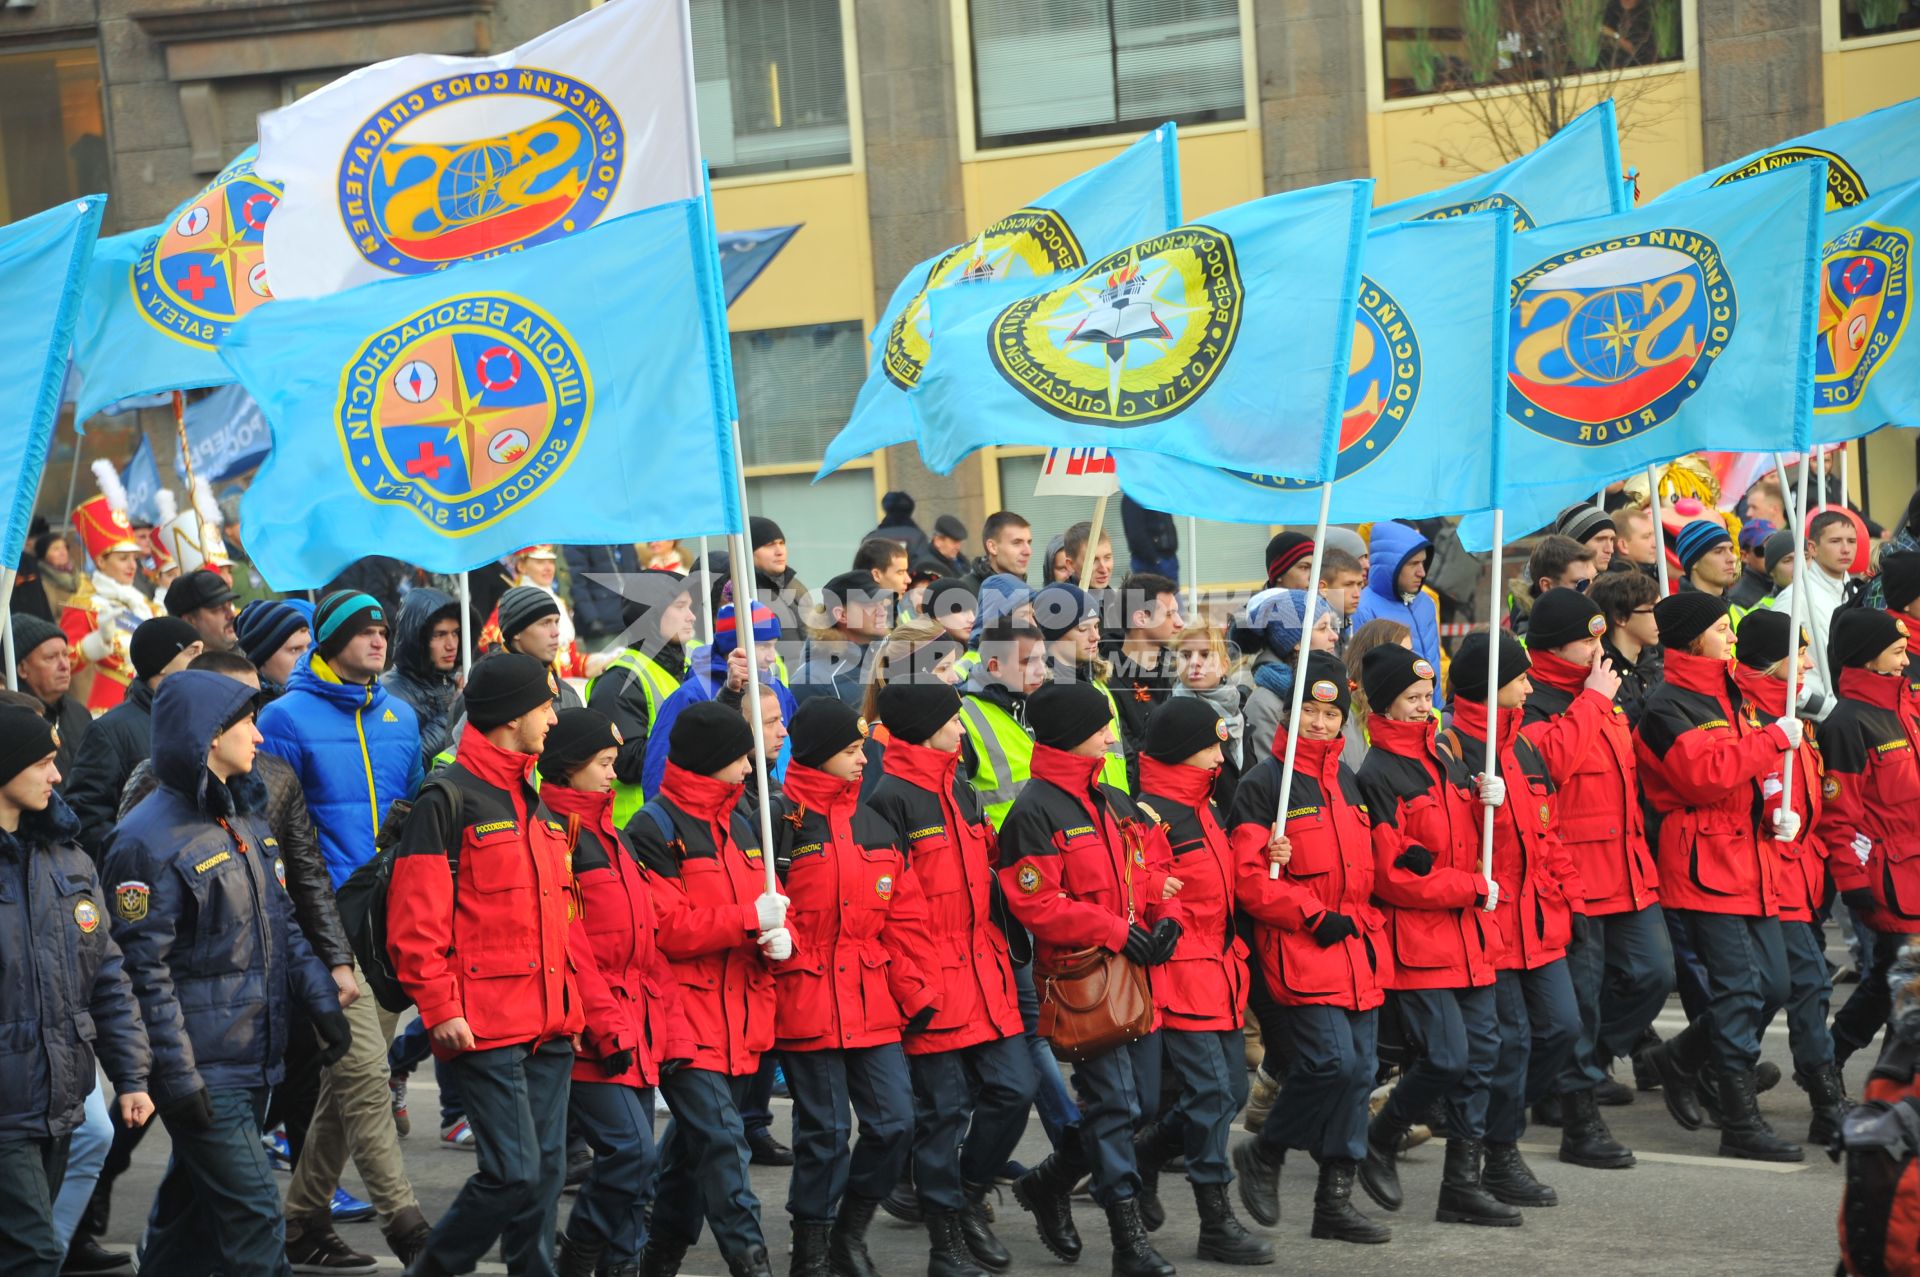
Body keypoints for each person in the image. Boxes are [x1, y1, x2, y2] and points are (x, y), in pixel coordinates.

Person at [105, 670, 353, 1275]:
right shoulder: (144, 839)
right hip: (206, 1069)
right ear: (210, 736)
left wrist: (320, 1000)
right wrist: (179, 1078)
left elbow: (283, 922)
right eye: (247, 724)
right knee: (255, 1222)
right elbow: (143, 974)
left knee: (186, 1224)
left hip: (251, 1057)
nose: (260, 738)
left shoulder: (241, 818)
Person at [386, 653, 582, 1277]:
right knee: (513, 1173)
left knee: (546, 1175)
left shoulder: (532, 796)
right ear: (511, 716)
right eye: (545, 707)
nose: (553, 718)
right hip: (484, 1023)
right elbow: (414, 925)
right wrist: (440, 1009)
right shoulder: (446, 798)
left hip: (549, 1023)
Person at [258, 590, 430, 1261]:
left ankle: (299, 1221)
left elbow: (413, 811)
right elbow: (271, 828)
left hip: (386, 922)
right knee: (363, 1075)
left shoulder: (401, 715)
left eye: (383, 629)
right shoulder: (282, 717)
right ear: (330, 641)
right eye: (362, 630)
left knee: (339, 1087)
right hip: (322, 926)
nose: (379, 639)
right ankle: (408, 1227)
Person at [996, 681, 1181, 1277]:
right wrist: (1114, 929)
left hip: (1134, 971)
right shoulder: (1034, 810)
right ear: (1073, 733)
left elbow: (1150, 869)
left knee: (1140, 1103)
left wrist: (1166, 916)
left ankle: (1048, 1184)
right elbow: (1037, 903)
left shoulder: (1111, 798)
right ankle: (1128, 1243)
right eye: (1100, 725)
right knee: (1116, 1103)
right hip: (1081, 978)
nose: (1111, 733)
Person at [865, 679, 1036, 1277]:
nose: (962, 730)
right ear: (926, 728)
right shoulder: (889, 797)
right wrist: (914, 988)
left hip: (984, 971)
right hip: (931, 981)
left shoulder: (957, 786)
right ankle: (946, 1239)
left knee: (1015, 1089)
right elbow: (887, 907)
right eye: (953, 721)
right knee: (942, 1113)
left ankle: (965, 1196)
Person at [628, 700, 796, 1277]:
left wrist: (780, 937)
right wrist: (751, 919)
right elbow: (666, 928)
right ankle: (752, 1264)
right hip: (681, 1019)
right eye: (739, 758)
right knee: (725, 1143)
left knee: (689, 1155)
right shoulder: (652, 828)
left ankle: (658, 1259)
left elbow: (766, 907)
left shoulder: (746, 822)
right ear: (710, 761)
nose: (751, 768)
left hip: (740, 1018)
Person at [1227, 655, 1389, 1247]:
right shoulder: (1263, 786)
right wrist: (1308, 911)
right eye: (1310, 714)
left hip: (1355, 949)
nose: (1321, 725)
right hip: (1300, 946)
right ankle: (1265, 1152)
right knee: (1328, 1065)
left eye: (1330, 715)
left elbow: (1365, 869)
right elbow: (1250, 884)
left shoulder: (1349, 780)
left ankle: (1334, 1202)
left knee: (1360, 1074)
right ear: (1290, 718)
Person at [1634, 593, 1802, 1162]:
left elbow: (1752, 765)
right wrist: (1774, 739)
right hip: (1704, 861)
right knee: (1739, 992)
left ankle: (1678, 1058)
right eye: (1719, 629)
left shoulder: (1731, 689)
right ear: (1691, 639)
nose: (1730, 636)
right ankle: (1739, 1120)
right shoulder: (1665, 705)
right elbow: (1704, 776)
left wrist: (1778, 804)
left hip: (1750, 857)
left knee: (1774, 985)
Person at [768, 699, 933, 1277]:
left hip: (872, 1000)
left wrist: (916, 991)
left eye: (861, 749)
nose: (863, 760)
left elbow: (905, 919)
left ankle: (850, 1230)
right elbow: (767, 911)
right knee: (826, 1132)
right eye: (850, 751)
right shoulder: (779, 823)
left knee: (896, 1124)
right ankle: (811, 1245)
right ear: (817, 755)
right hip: (805, 996)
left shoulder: (872, 821)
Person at [1352, 644, 1511, 1226]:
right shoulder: (1377, 773)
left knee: (1481, 1059)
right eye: (1413, 699)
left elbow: (1471, 837)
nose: (1425, 708)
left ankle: (1461, 1185)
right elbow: (1394, 874)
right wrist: (1470, 889)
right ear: (1386, 704)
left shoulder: (1446, 753)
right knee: (1445, 1059)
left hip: (1469, 935)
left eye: (1427, 697)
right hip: (1419, 939)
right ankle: (1382, 1135)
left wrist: (1487, 799)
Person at [537, 709, 693, 1277]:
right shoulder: (557, 836)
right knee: (631, 1152)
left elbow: (647, 943)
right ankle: (581, 1253)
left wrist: (666, 1025)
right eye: (602, 764)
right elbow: (573, 949)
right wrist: (608, 1028)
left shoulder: (611, 834)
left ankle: (621, 1263)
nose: (613, 775)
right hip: (590, 1028)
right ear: (569, 766)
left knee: (635, 1163)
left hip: (633, 1020)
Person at [1520, 589, 1671, 1170]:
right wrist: (1590, 701)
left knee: (1653, 974)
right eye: (1586, 640)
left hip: (1625, 866)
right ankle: (1579, 1120)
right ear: (1556, 646)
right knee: (1578, 1001)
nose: (1597, 648)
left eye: (1598, 637)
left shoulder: (1599, 688)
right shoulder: (1532, 697)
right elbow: (1548, 767)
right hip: (1573, 872)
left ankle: (1576, 1070)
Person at [0, 706, 153, 1277]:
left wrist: (132, 1076)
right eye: (43, 761)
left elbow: (106, 975)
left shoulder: (68, 857)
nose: (57, 774)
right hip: (7, 1109)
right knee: (35, 1255)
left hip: (59, 1099)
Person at [1125, 698, 1277, 1262]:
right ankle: (1216, 1219)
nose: (1220, 756)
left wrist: (1264, 851)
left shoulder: (1207, 806)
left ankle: (1144, 1153)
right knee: (1214, 1091)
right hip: (1177, 972)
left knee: (1231, 1090)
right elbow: (1145, 892)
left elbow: (1222, 884)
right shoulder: (1145, 814)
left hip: (1219, 969)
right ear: (1180, 751)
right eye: (1210, 746)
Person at [1445, 630, 1582, 1207]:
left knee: (1563, 1028)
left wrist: (1570, 894)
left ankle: (1496, 1132)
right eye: (1518, 678)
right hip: (1489, 922)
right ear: (1488, 686)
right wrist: (1474, 803)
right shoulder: (1451, 748)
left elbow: (1546, 831)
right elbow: (1447, 841)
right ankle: (1496, 1153)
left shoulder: (1521, 745)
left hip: (1538, 921)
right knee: (1510, 1043)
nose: (1529, 685)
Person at [1730, 612, 1844, 1142]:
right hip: (1753, 871)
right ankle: (1823, 1100)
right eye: (1796, 652)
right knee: (1787, 985)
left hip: (1798, 873)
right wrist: (1768, 809)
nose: (1805, 661)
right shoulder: (1742, 712)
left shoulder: (1799, 712)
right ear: (1771, 658)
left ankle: (1821, 1098)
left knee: (1797, 985)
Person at [1820, 608, 1920, 1073]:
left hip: (1914, 869)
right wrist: (1852, 879)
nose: (1906, 663)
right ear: (1867, 658)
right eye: (1898, 653)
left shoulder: (1904, 711)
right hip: (1887, 877)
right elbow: (1841, 815)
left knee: (1888, 982)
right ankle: (1889, 1087)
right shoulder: (1847, 722)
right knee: (1905, 984)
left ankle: (1828, 1060)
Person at [64, 617, 202, 858]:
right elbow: (87, 819)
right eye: (192, 653)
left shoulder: (203, 717)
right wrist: (142, 854)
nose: (202, 662)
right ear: (162, 663)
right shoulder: (109, 731)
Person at [641, 601, 793, 799]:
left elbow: (796, 748)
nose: (772, 657)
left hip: (775, 808)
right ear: (736, 647)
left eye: (774, 645)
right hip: (718, 809)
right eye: (764, 646)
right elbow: (660, 769)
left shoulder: (775, 687)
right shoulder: (691, 695)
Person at [585, 571, 695, 827]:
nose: (692, 616)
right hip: (637, 829)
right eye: (680, 607)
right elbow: (626, 763)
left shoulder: (684, 667)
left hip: (676, 820)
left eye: (690, 607)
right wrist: (698, 738)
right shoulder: (620, 680)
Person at [61, 463, 160, 711]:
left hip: (153, 704)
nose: (132, 566)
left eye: (134, 559)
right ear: (101, 561)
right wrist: (94, 644)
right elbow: (62, 663)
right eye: (122, 558)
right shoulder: (83, 606)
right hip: (106, 709)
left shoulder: (144, 605)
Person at [1033, 583, 1128, 791]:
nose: (1095, 636)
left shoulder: (1100, 685)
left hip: (1115, 811)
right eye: (1083, 629)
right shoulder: (1044, 695)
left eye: (1096, 626)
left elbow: (1124, 754)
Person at [958, 619, 1048, 830]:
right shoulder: (962, 717)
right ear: (995, 667)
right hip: (999, 854)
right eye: (1029, 662)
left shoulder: (1040, 704)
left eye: (1043, 660)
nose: (1041, 671)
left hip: (1043, 847)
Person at [1238, 588, 1341, 766]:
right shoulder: (1263, 703)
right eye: (1323, 627)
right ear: (1297, 642)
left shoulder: (1336, 687)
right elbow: (1270, 778)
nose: (1335, 636)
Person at [1772, 510, 1860, 696]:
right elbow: (1775, 668)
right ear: (1812, 548)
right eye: (1835, 541)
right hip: (1817, 711)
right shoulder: (1795, 596)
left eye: (1851, 541)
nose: (1846, 549)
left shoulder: (1857, 592)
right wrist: (1821, 707)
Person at [1109, 573, 1185, 780]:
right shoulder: (1111, 684)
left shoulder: (1182, 672)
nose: (1180, 623)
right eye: (1169, 614)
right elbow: (1131, 759)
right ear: (1141, 618)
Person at [383, 588, 464, 769]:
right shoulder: (388, 694)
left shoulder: (454, 681)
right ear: (416, 638)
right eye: (440, 635)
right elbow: (408, 766)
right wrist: (453, 713)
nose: (451, 645)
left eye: (456, 633)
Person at [1170, 621, 1248, 811]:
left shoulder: (1241, 714)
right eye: (1186, 655)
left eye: (1205, 655)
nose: (1194, 662)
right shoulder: (1168, 720)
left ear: (1224, 665)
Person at [9, 613, 90, 782]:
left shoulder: (80, 714)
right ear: (23, 668)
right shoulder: (14, 721)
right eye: (51, 657)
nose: (64, 666)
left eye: (65, 655)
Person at [1353, 522, 1442, 676]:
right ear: (1391, 566)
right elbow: (1361, 677)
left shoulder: (1427, 602)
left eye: (1423, 562)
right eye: (1413, 563)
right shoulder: (1361, 608)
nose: (1421, 572)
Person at [795, 571, 894, 708]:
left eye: (882, 603)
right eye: (870, 604)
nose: (882, 611)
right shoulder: (813, 680)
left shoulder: (891, 660)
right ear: (841, 615)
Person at [483, 584, 586, 708]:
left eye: (556, 622)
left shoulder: (568, 695)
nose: (556, 632)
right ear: (517, 632)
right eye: (545, 623)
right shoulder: (485, 692)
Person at [1590, 571, 1664, 728]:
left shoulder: (1657, 666)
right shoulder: (1599, 674)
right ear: (1620, 617)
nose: (1661, 617)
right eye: (1652, 610)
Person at [562, 542, 642, 645]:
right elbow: (576, 583)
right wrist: (592, 619)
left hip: (632, 619)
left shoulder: (624, 537)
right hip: (602, 626)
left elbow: (637, 574)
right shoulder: (580, 539)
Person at [236, 600, 313, 701]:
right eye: (294, 650)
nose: (307, 658)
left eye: (308, 646)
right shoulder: (247, 710)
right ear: (262, 657)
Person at [164, 568, 239, 653]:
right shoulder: (183, 665)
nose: (232, 615)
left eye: (230, 605)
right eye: (218, 609)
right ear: (190, 621)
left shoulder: (250, 655)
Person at [866, 492, 932, 570]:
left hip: (876, 581)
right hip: (909, 581)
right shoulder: (918, 536)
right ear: (909, 510)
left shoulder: (871, 538)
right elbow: (923, 567)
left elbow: (862, 570)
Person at [1120, 497, 1179, 581]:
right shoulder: (1132, 497)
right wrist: (1155, 559)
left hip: (1168, 558)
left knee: (1172, 592)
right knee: (1148, 593)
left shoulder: (1157, 494)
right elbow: (1135, 533)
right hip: (1149, 562)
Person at [1675, 520, 1739, 598]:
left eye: (1731, 550)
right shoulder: (1682, 609)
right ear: (1694, 562)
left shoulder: (1736, 605)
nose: (1732, 559)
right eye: (1718, 551)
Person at [1727, 523, 1779, 611]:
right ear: (1744, 556)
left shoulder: (1789, 584)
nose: (1772, 554)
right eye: (1763, 550)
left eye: (1777, 547)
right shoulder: (1737, 599)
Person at [970, 512, 1034, 584]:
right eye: (1017, 543)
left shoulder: (1023, 588)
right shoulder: (965, 591)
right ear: (992, 547)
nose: (1028, 552)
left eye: (1029, 542)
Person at [1553, 503, 1618, 572]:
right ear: (1576, 544)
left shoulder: (1619, 579)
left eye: (1611, 539)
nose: (1610, 550)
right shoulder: (1555, 581)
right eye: (1600, 539)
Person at [1318, 549, 1366, 634]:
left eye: (1359, 585)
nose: (1357, 594)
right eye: (1348, 585)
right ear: (1324, 589)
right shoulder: (1309, 628)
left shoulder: (1346, 621)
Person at [1611, 507, 1661, 578]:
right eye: (1646, 537)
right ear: (1623, 546)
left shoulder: (1654, 572)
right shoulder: (1621, 584)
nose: (1655, 544)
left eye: (1654, 535)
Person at [927, 515, 970, 579]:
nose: (958, 547)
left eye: (959, 542)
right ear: (938, 541)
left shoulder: (959, 560)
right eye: (954, 542)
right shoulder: (928, 567)